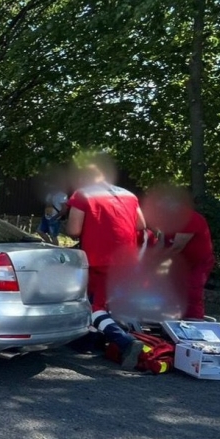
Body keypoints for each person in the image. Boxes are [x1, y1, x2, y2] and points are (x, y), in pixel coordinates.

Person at [65, 157, 145, 368]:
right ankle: (88, 343)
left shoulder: (83, 195)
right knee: (107, 303)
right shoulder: (129, 195)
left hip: (100, 259)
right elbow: (141, 225)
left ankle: (125, 341)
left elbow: (73, 231)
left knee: (92, 306)